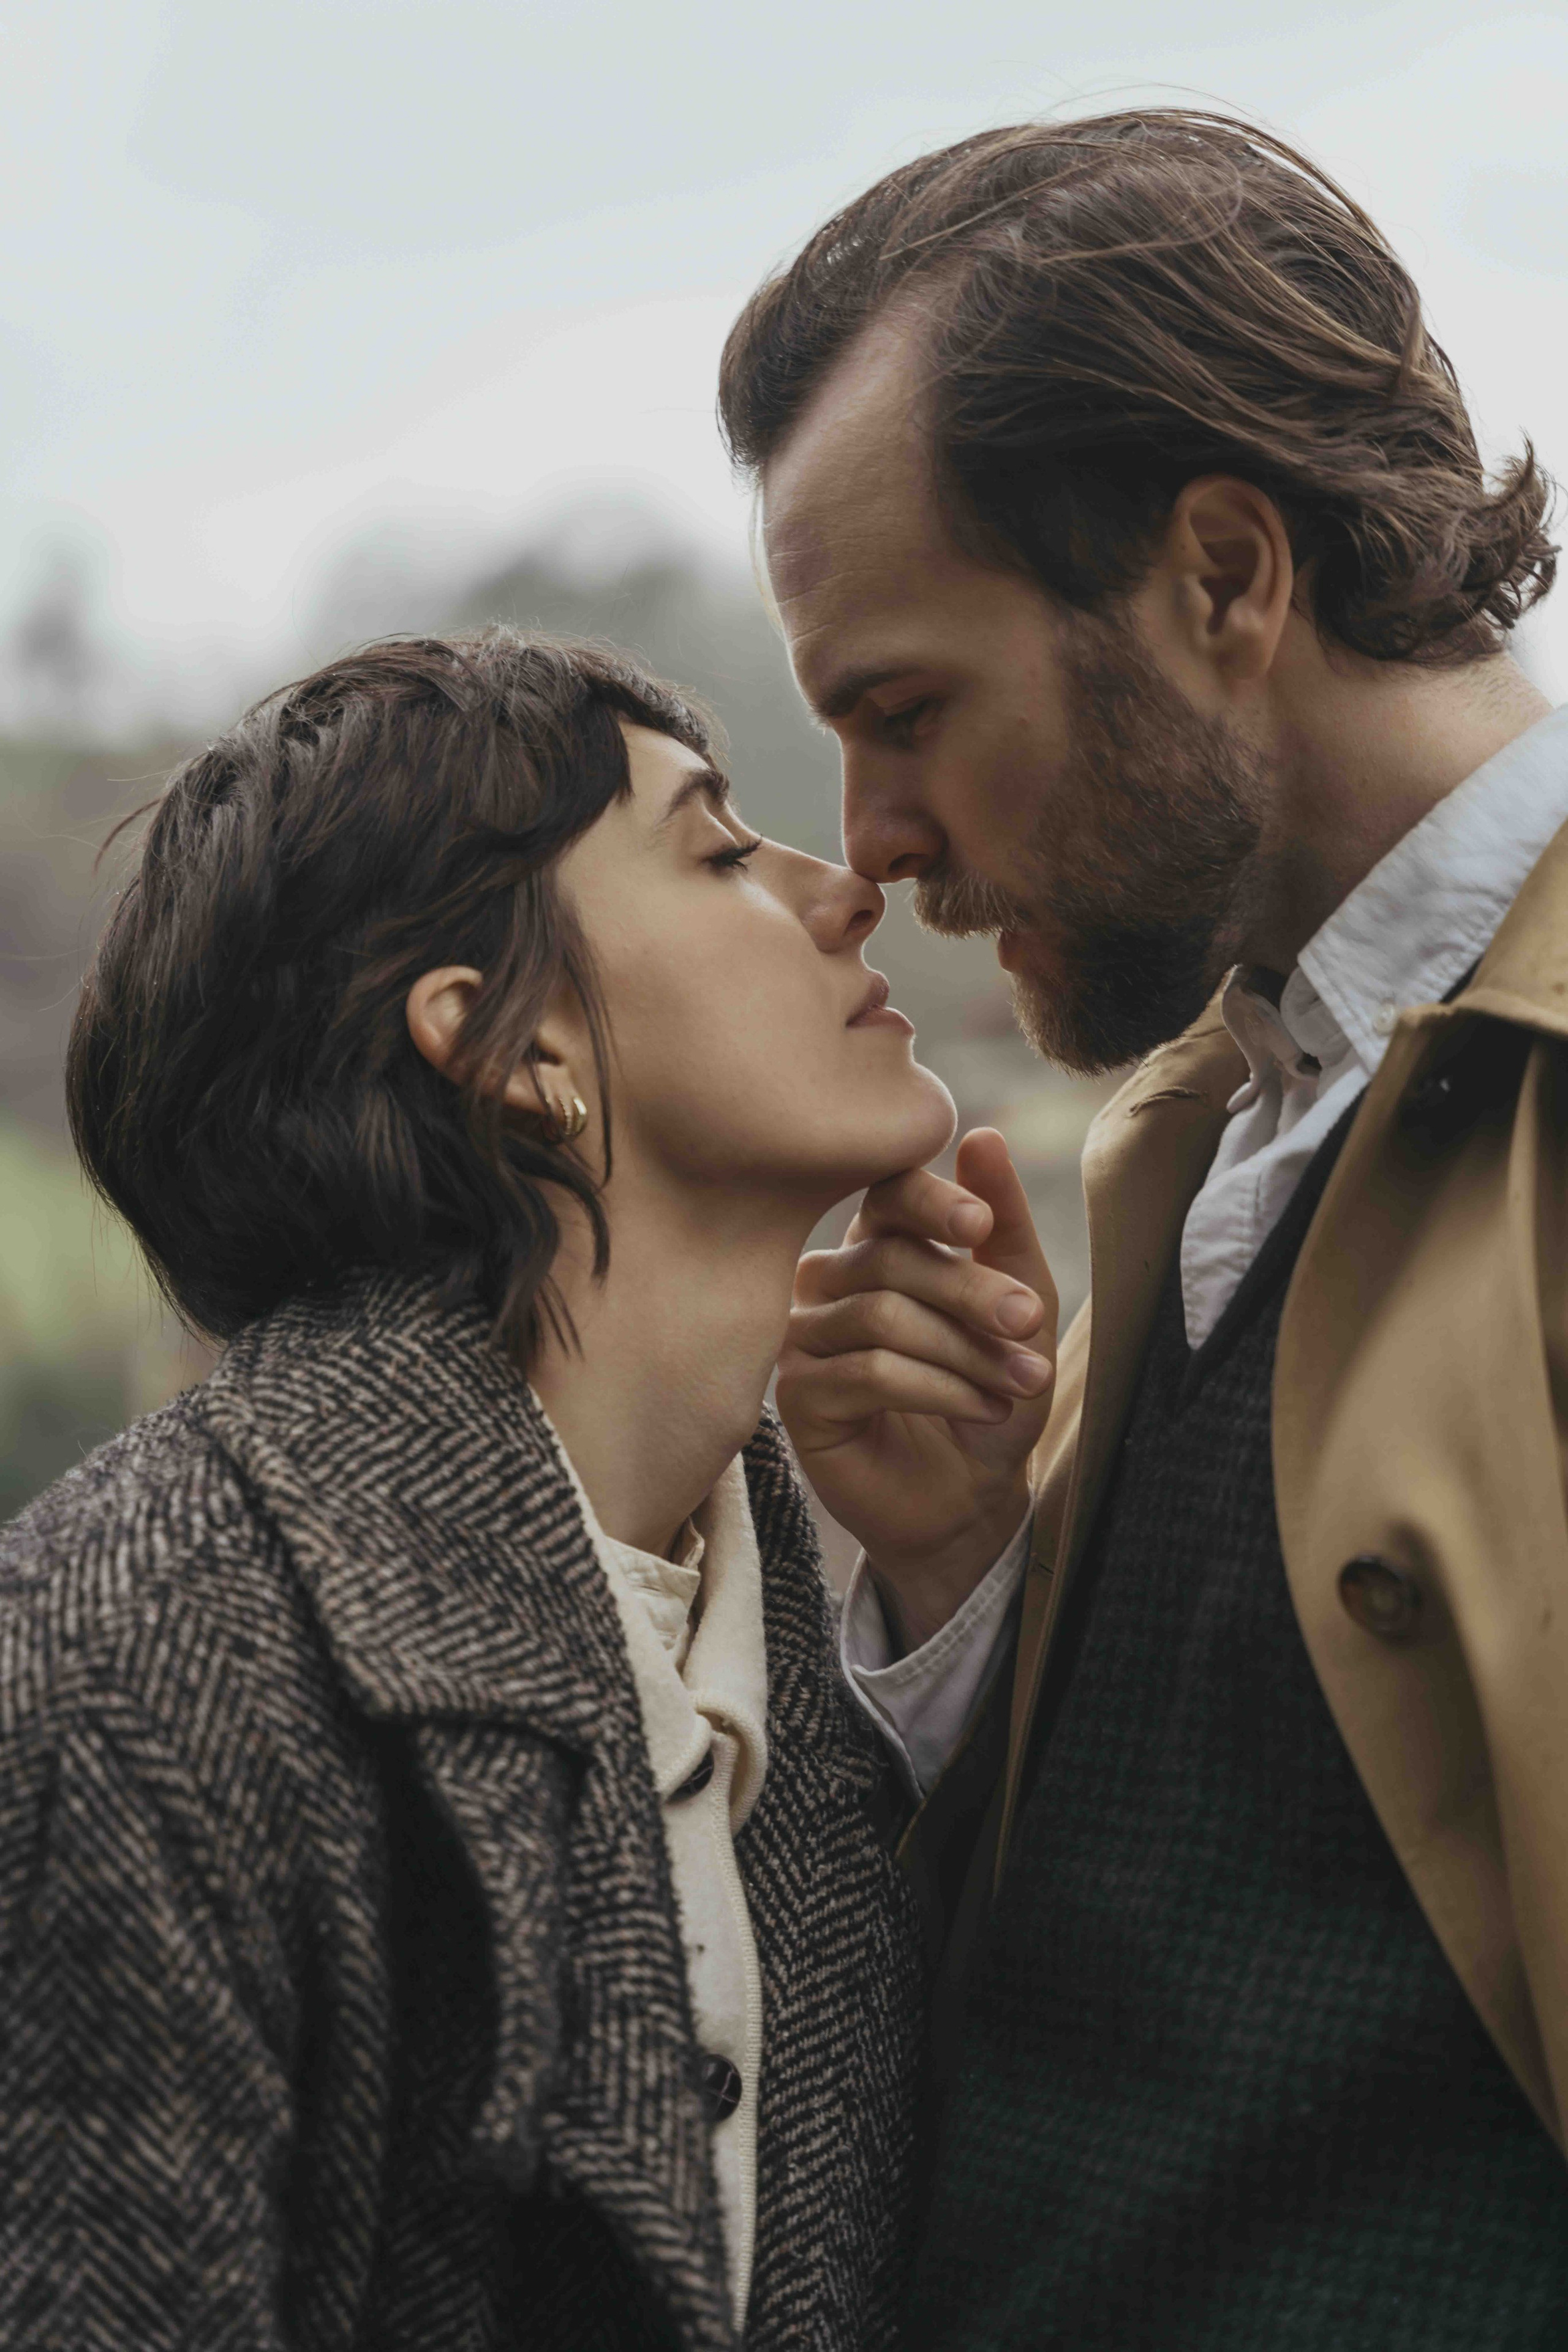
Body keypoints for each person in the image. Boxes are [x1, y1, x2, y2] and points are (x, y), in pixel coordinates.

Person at [718, 109, 1568, 2347]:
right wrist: (964, 1579)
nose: (872, 844)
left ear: (1221, 573)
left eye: (906, 714)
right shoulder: (1196, 1146)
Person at [0, 629, 1027, 2351]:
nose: (846, 887)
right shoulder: (122, 1673)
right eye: (716, 850)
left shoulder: (807, 1657)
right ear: (511, 1052)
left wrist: (961, 1572)